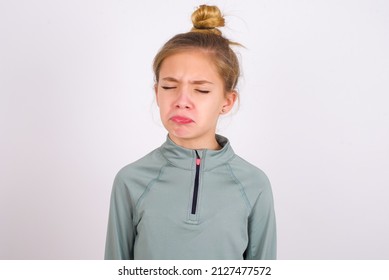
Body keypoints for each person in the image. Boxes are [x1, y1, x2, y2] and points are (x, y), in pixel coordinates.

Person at [104, 4, 276, 260]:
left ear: (227, 101)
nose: (182, 101)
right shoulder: (130, 181)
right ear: (156, 93)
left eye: (201, 90)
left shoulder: (253, 185)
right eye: (169, 86)